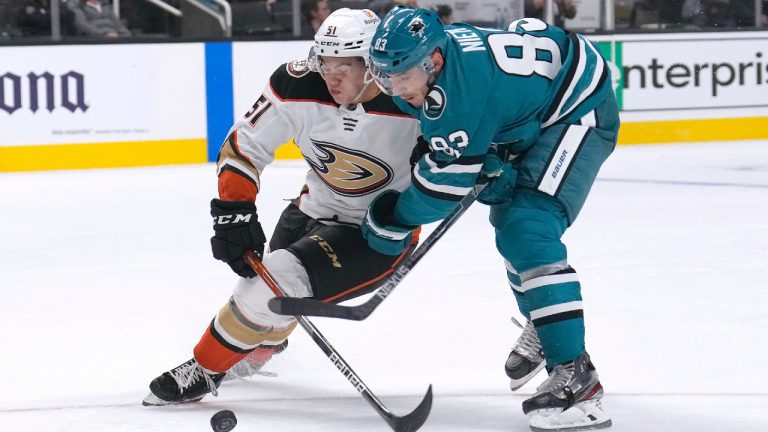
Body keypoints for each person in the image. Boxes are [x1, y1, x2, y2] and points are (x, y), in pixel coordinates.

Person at [143, 8, 423, 406]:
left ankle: (205, 369)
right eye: (325, 64)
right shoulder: (298, 83)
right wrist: (233, 212)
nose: (332, 77)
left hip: (375, 231)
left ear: (374, 64)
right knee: (271, 304)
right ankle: (261, 346)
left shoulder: (414, 98)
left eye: (345, 66)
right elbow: (245, 146)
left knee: (266, 287)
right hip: (311, 209)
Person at [363, 6, 618, 431]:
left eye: (402, 76)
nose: (393, 86)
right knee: (509, 219)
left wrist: (390, 219)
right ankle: (545, 321)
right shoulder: (441, 62)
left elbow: (440, 194)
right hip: (535, 106)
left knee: (529, 225)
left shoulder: (456, 99)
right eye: (385, 74)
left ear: (434, 62)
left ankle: (577, 377)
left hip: (580, 107)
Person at [67, 0, 131, 37]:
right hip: (95, 41)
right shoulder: (76, 5)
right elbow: (82, 25)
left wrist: (127, 36)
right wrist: (104, 34)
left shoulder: (105, 4)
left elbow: (118, 25)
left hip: (116, 40)